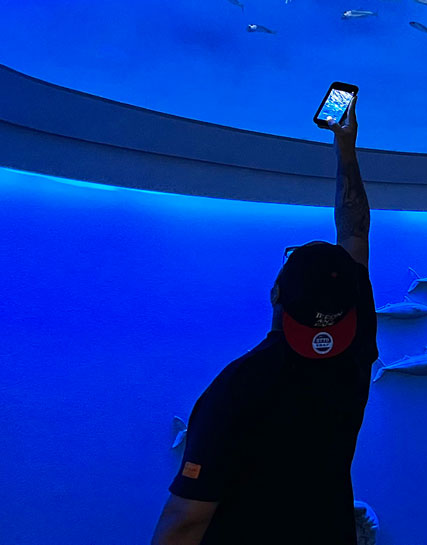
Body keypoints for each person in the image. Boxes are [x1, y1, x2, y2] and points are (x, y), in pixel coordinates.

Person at [151, 99, 376, 545]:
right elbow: (355, 235)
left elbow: (185, 520)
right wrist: (346, 148)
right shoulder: (353, 355)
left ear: (276, 294)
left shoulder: (240, 386)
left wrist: (344, 147)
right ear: (350, 306)